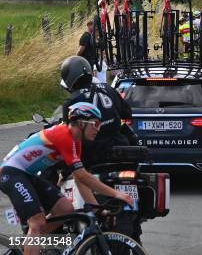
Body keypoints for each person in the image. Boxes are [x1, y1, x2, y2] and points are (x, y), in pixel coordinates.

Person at [0, 102, 133, 255]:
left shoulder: (76, 143)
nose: (98, 129)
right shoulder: (64, 135)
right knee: (37, 222)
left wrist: (96, 210)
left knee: (65, 209)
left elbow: (79, 179)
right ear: (82, 123)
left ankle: (30, 243)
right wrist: (116, 194)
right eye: (96, 123)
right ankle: (33, 238)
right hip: (11, 172)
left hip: (26, 174)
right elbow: (83, 176)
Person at [61, 56, 133, 169]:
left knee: (70, 176)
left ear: (68, 77)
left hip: (91, 155)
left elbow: (69, 134)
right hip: (119, 149)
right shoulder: (108, 89)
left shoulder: (72, 101)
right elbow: (127, 113)